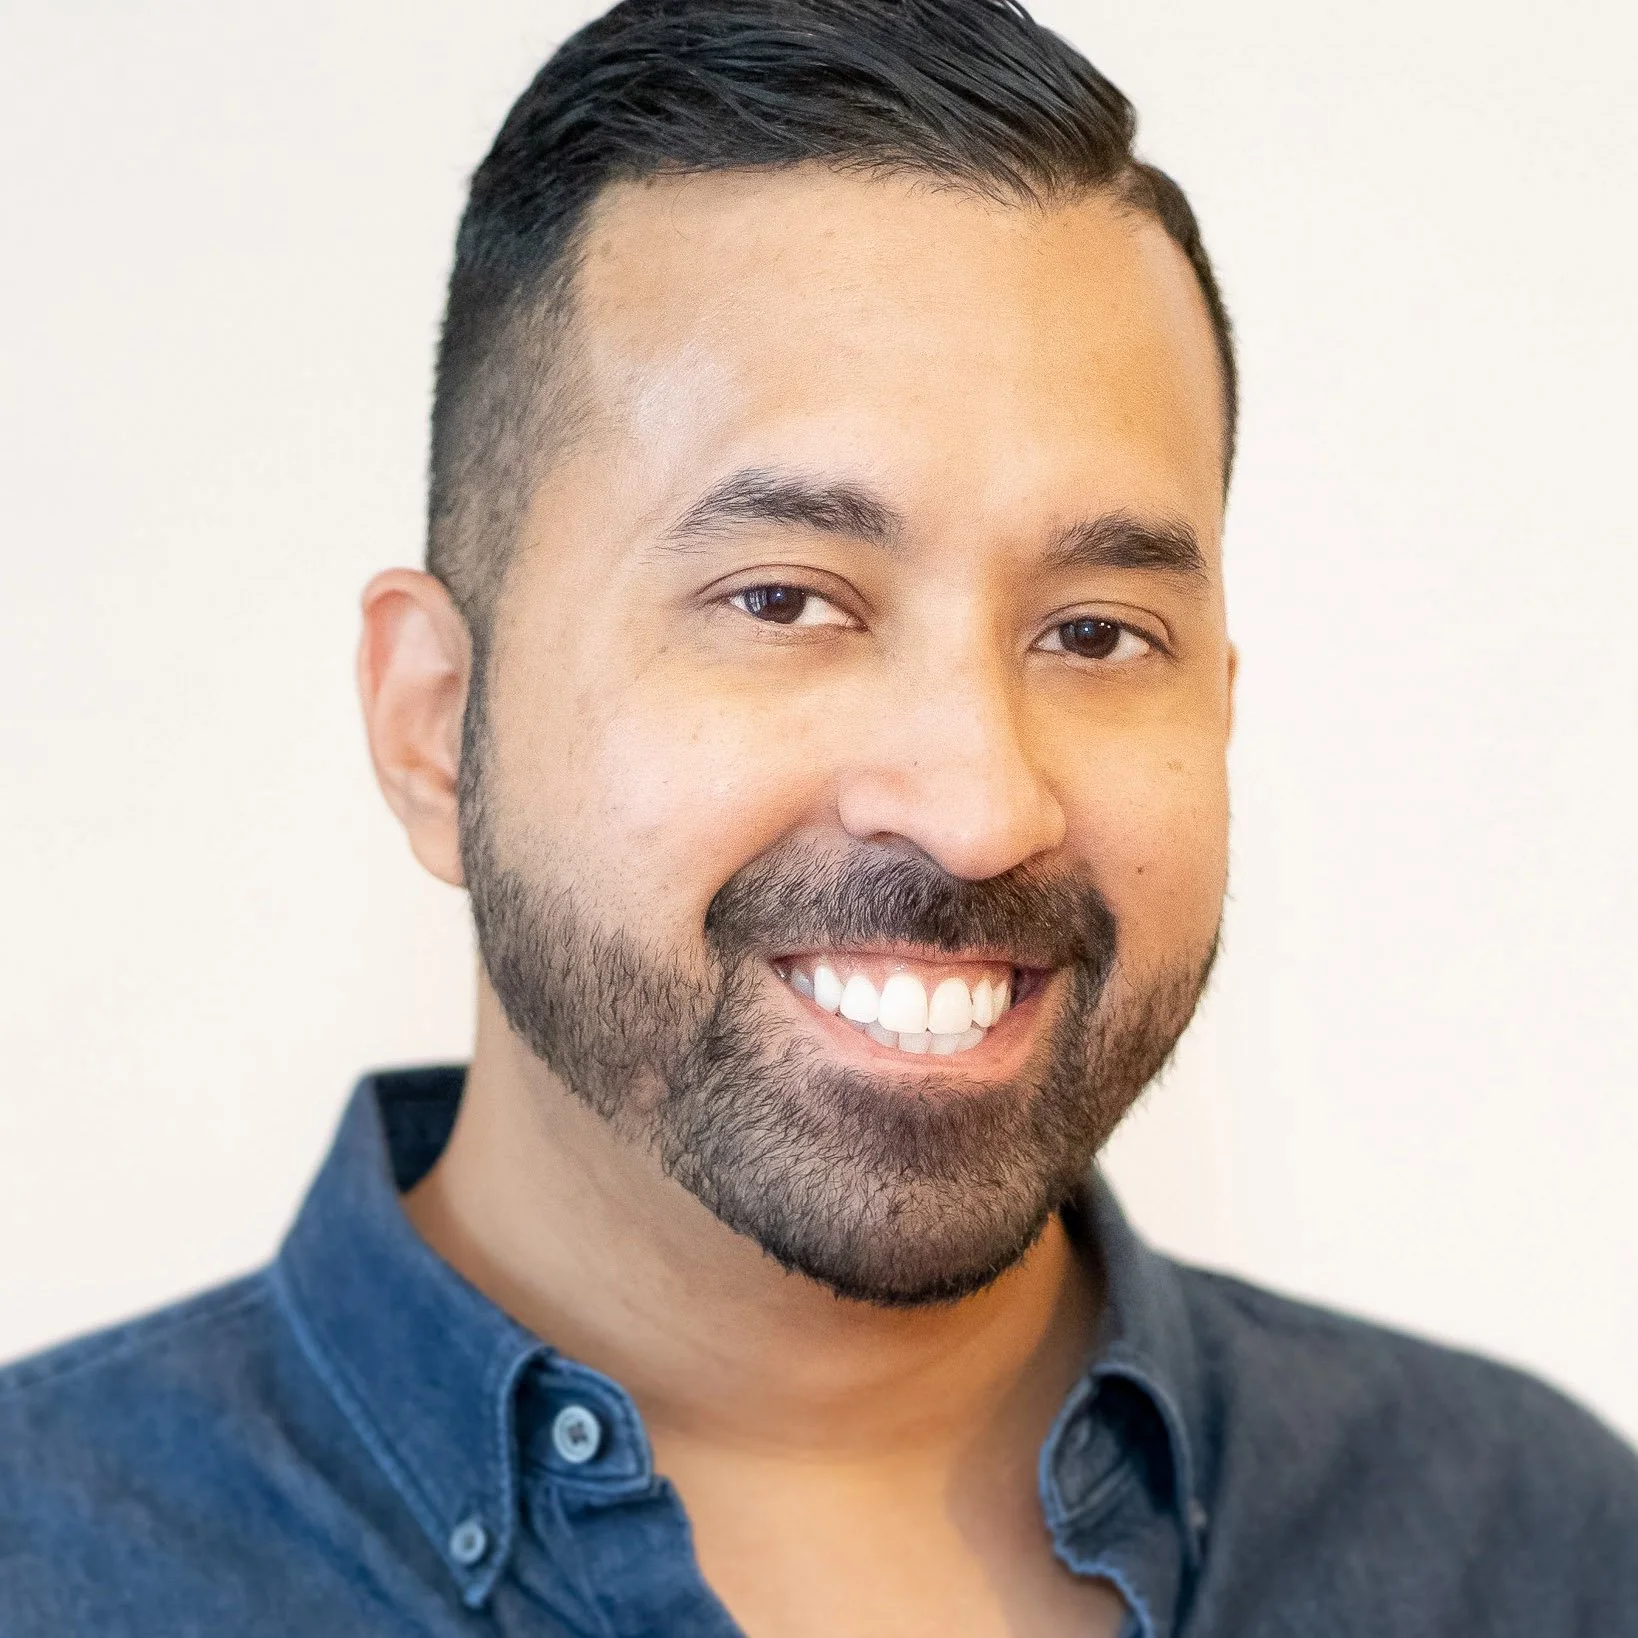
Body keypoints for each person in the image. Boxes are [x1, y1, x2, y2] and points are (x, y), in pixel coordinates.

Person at [2, 0, 1634, 1632]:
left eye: (1094, 632)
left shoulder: (1539, 1549)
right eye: (782, 598)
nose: (978, 805)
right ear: (435, 725)